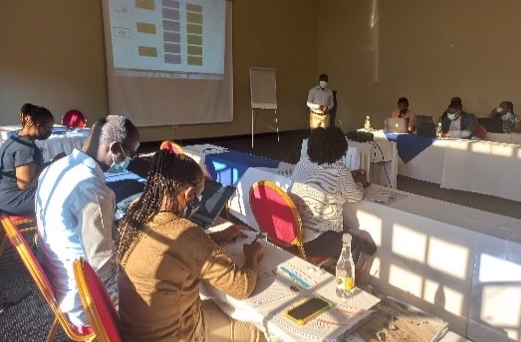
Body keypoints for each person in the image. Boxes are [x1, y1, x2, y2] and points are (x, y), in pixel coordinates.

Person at [116, 150, 266, 342]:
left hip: (137, 331)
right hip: (176, 336)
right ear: (188, 193)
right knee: (259, 332)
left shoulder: (137, 211)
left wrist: (219, 236)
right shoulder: (184, 233)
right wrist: (252, 255)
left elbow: (176, 249)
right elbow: (241, 286)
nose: (199, 202)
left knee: (216, 303)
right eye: (200, 194)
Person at [36, 115, 140, 328]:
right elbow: (102, 266)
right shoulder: (93, 191)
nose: (129, 160)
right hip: (86, 303)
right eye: (129, 154)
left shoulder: (55, 168)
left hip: (58, 279)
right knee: (166, 279)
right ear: (115, 147)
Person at [289, 127, 377, 282]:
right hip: (314, 240)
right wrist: (360, 183)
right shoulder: (340, 171)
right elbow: (356, 196)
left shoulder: (302, 164)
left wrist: (349, 177)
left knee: (346, 232)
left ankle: (334, 270)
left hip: (293, 232)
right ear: (340, 149)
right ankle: (350, 285)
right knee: (365, 242)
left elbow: (322, 178)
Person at [0, 103, 54, 215]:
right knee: (59, 194)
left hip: (4, 195)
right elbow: (26, 185)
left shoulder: (15, 137)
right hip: (13, 201)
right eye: (48, 128)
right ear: (38, 125)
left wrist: (52, 163)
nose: (50, 132)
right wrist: (50, 167)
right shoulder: (25, 147)